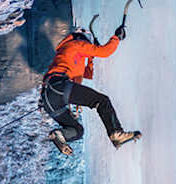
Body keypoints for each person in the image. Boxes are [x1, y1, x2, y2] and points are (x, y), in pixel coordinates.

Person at [39, 24, 140, 156]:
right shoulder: (76, 44)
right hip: (59, 87)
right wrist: (116, 38)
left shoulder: (66, 51)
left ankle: (59, 134)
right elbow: (104, 52)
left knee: (77, 130)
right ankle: (116, 133)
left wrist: (91, 57)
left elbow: (84, 76)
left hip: (49, 99)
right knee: (101, 101)